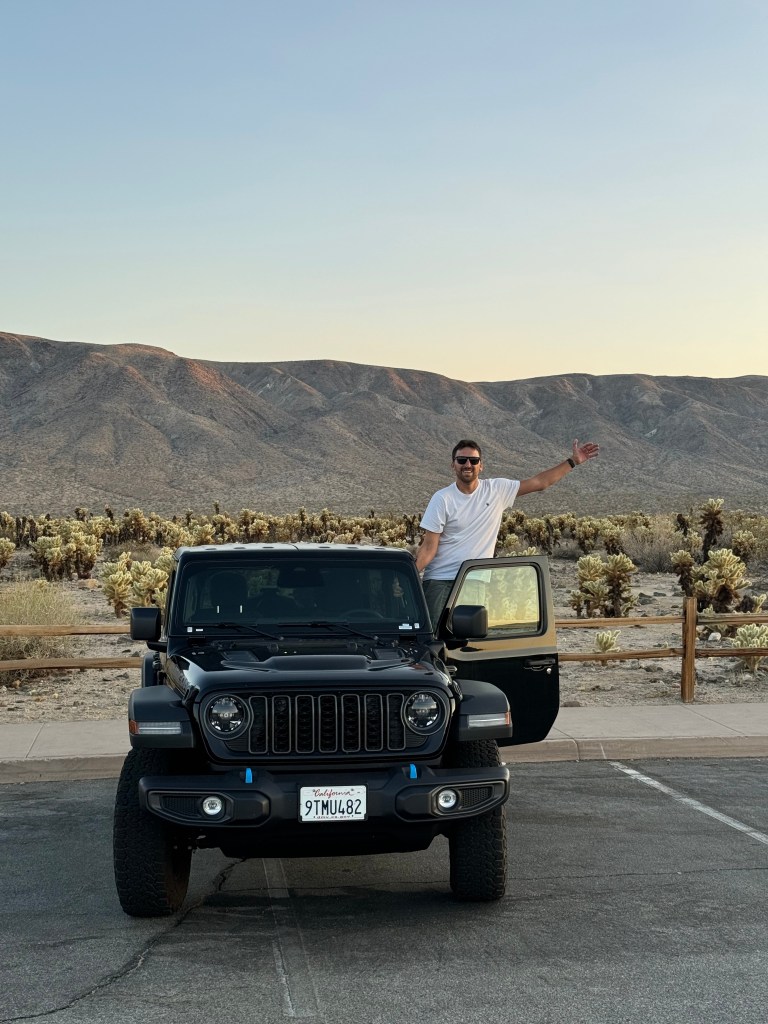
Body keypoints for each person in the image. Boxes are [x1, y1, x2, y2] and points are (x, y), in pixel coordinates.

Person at [415, 438, 600, 625]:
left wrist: (573, 462)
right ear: (453, 465)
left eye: (473, 460)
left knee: (465, 640)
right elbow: (429, 549)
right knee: (434, 638)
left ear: (481, 466)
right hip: (440, 581)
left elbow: (539, 482)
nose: (467, 465)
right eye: (461, 460)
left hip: (474, 579)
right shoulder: (442, 499)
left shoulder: (496, 490)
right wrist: (408, 577)